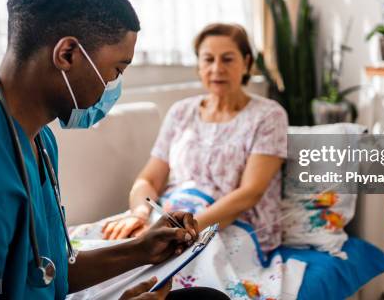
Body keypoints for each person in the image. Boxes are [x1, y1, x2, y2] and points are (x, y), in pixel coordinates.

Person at [0, 0, 228, 300]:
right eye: (116, 69)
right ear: (67, 54)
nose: (113, 87)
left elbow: (45, 271)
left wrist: (140, 249)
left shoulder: (37, 137)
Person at [102, 23, 288, 255]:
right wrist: (139, 213)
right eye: (208, 59)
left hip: (232, 226)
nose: (217, 68)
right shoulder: (181, 112)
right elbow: (149, 179)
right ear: (199, 66)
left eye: (228, 59)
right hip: (172, 218)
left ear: (247, 63)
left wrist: (185, 230)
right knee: (105, 247)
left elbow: (250, 193)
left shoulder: (269, 115)